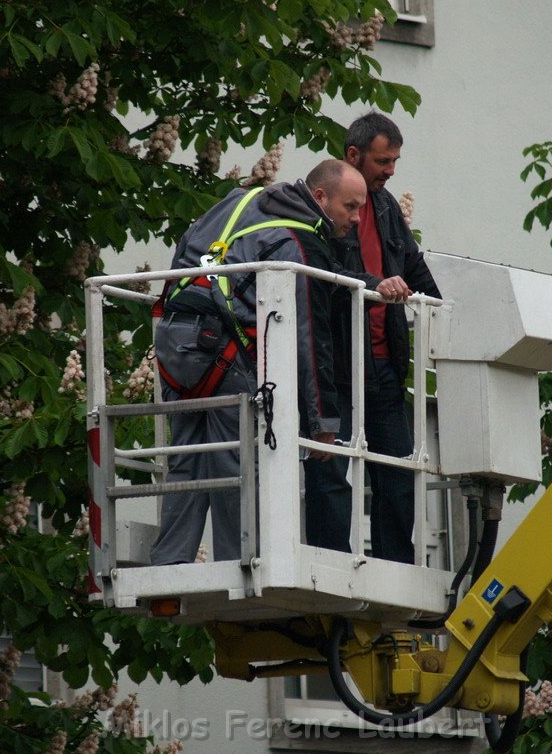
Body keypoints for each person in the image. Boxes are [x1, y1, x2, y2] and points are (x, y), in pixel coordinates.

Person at [149, 159, 367, 565]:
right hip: (224, 353)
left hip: (176, 341)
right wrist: (322, 425)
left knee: (187, 460)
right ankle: (244, 567)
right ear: (319, 198)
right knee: (239, 464)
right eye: (350, 207)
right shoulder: (299, 242)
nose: (355, 219)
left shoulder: (241, 200)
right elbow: (309, 336)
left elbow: (184, 250)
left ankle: (169, 562)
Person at [303, 113, 441, 564]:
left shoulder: (384, 208)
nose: (390, 171)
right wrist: (374, 284)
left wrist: (444, 311)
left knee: (398, 476)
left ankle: (394, 571)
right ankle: (331, 567)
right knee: (331, 475)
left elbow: (413, 265)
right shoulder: (317, 209)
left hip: (382, 366)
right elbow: (327, 276)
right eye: (383, 160)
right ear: (353, 156)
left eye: (395, 161)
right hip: (339, 366)